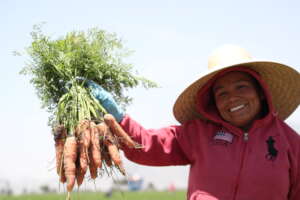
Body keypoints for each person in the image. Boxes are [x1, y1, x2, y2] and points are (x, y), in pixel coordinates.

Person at [84, 44, 300, 200]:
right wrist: (119, 118)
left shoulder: (292, 144)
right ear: (214, 102)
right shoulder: (198, 134)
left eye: (241, 87)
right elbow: (146, 145)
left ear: (260, 92)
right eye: (221, 93)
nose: (232, 98)